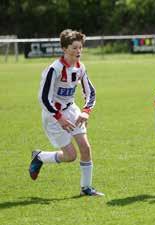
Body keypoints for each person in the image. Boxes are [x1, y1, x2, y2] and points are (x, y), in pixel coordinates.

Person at [29, 29, 104, 196]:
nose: (78, 51)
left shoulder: (80, 68)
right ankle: (40, 157)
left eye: (80, 48)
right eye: (74, 48)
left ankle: (86, 188)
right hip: (52, 116)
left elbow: (90, 92)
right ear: (64, 49)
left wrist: (86, 111)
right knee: (70, 156)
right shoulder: (54, 69)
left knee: (85, 148)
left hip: (71, 110)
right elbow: (43, 98)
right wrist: (59, 117)